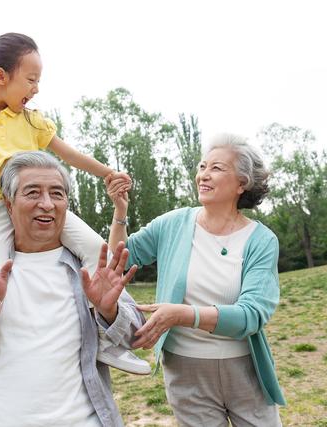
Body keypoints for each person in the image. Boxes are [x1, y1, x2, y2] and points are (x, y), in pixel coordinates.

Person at [0, 33, 148, 427]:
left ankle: (110, 341)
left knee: (99, 253)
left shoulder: (32, 121)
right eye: (31, 79)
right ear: (2, 76)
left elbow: (67, 153)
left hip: (36, 204)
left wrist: (108, 173)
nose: (37, 89)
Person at [0, 152, 145, 427]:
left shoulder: (89, 265)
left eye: (57, 194)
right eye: (32, 193)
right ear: (9, 205)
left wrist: (108, 310)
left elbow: (136, 336)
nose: (47, 204)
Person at [107, 133, 286, 426]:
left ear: (242, 184)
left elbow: (252, 315)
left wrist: (181, 315)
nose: (204, 174)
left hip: (244, 367)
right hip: (184, 368)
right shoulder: (173, 223)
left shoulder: (261, 240)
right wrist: (120, 211)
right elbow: (119, 261)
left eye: (217, 168)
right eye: (202, 166)